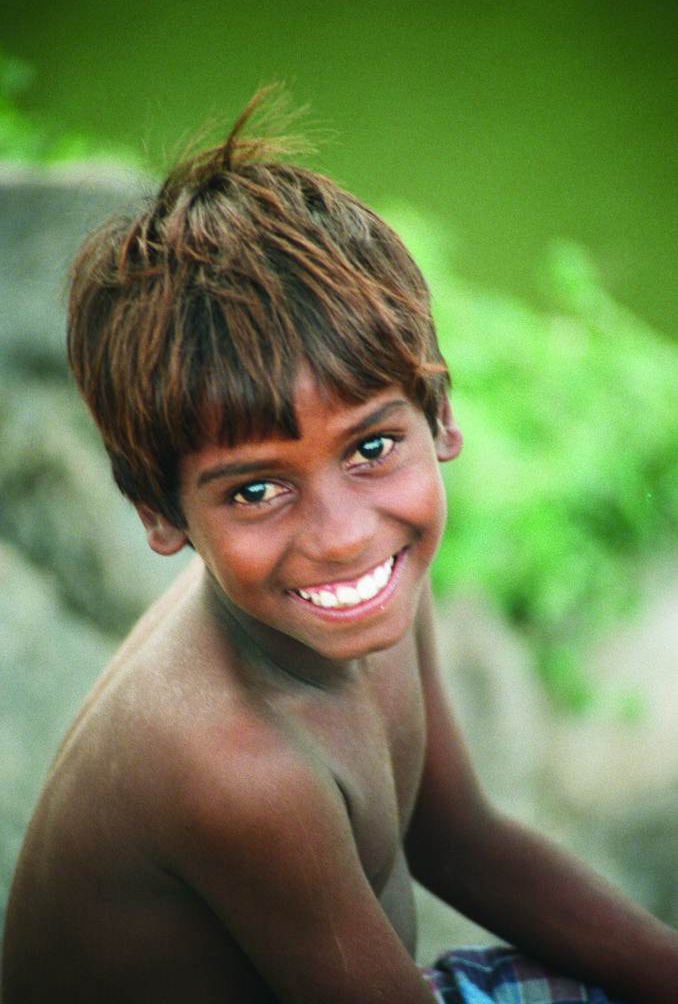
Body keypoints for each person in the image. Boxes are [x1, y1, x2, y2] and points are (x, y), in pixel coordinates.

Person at [3, 89, 677, 1004]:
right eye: (255, 490)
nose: (343, 535)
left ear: (438, 414)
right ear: (160, 515)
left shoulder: (375, 591)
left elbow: (459, 838)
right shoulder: (238, 767)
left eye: (369, 448)